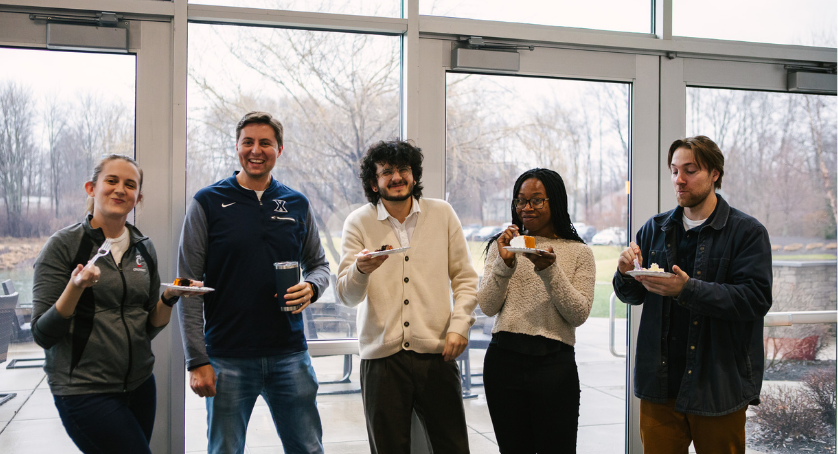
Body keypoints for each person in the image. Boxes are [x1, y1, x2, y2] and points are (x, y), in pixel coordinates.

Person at [177, 111, 330, 454]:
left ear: (279, 149)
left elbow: (320, 266)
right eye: (248, 142)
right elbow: (187, 287)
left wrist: (312, 286)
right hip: (226, 357)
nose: (256, 150)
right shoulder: (208, 202)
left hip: (290, 355)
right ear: (237, 147)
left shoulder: (297, 203)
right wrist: (196, 360)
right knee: (225, 451)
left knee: (308, 448)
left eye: (265, 142)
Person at [613, 135, 773, 454]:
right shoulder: (653, 229)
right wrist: (623, 272)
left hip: (718, 388)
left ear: (715, 173)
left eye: (690, 170)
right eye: (674, 171)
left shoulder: (747, 233)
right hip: (660, 388)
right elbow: (632, 296)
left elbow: (755, 299)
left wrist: (687, 290)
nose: (679, 180)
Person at [31, 154, 201, 454]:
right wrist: (75, 287)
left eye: (130, 184)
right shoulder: (63, 246)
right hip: (84, 390)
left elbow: (147, 326)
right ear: (91, 188)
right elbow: (43, 334)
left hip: (139, 386)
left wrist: (169, 297)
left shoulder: (143, 247)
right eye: (111, 181)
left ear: (138, 197)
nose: (120, 189)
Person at [336, 139, 478, 454]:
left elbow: (466, 278)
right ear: (374, 183)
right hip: (381, 361)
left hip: (437, 354)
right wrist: (361, 270)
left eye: (403, 169)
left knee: (453, 446)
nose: (397, 177)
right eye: (387, 172)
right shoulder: (359, 222)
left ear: (413, 175)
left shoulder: (442, 213)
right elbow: (346, 296)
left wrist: (459, 325)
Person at [477, 168, 595, 454]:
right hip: (503, 362)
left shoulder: (579, 252)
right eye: (520, 200)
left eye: (537, 200)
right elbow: (487, 305)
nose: (526, 208)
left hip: (554, 366)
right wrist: (504, 265)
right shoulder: (502, 246)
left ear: (555, 202)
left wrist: (549, 270)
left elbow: (578, 314)